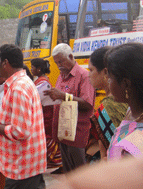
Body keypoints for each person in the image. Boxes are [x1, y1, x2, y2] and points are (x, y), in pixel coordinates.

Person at [0, 44, 47, 189]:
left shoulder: (18, 88)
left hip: (21, 166)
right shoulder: (19, 83)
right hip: (24, 163)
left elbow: (21, 131)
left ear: (5, 63)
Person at [44, 43, 95, 172]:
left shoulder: (84, 75)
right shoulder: (61, 76)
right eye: (56, 63)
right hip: (63, 132)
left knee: (80, 172)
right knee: (68, 172)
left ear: (71, 57)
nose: (59, 65)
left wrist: (63, 96)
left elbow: (87, 104)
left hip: (77, 132)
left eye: (61, 61)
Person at [87, 47, 128, 161]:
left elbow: (105, 153)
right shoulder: (129, 99)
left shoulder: (106, 108)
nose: (88, 75)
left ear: (105, 72)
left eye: (91, 70)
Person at [30, 58, 62, 170]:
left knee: (47, 136)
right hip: (44, 111)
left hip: (46, 113)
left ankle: (54, 160)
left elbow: (36, 98)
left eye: (32, 67)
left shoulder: (43, 82)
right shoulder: (40, 80)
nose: (31, 69)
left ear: (39, 69)